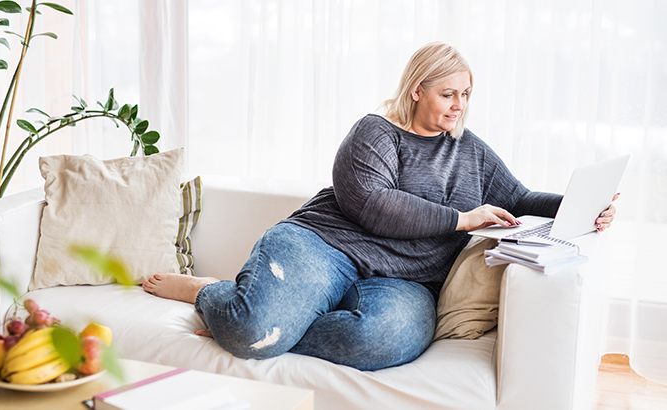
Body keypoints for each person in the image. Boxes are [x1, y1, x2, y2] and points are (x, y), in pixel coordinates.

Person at [142, 42, 618, 371]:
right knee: (248, 334)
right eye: (448, 94)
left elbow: (519, 198)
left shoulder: (469, 150)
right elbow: (373, 204)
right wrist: (461, 219)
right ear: (417, 90)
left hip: (405, 280)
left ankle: (274, 322)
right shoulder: (376, 132)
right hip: (326, 246)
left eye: (466, 95)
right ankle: (212, 295)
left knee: (389, 340)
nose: (460, 106)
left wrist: (579, 205)